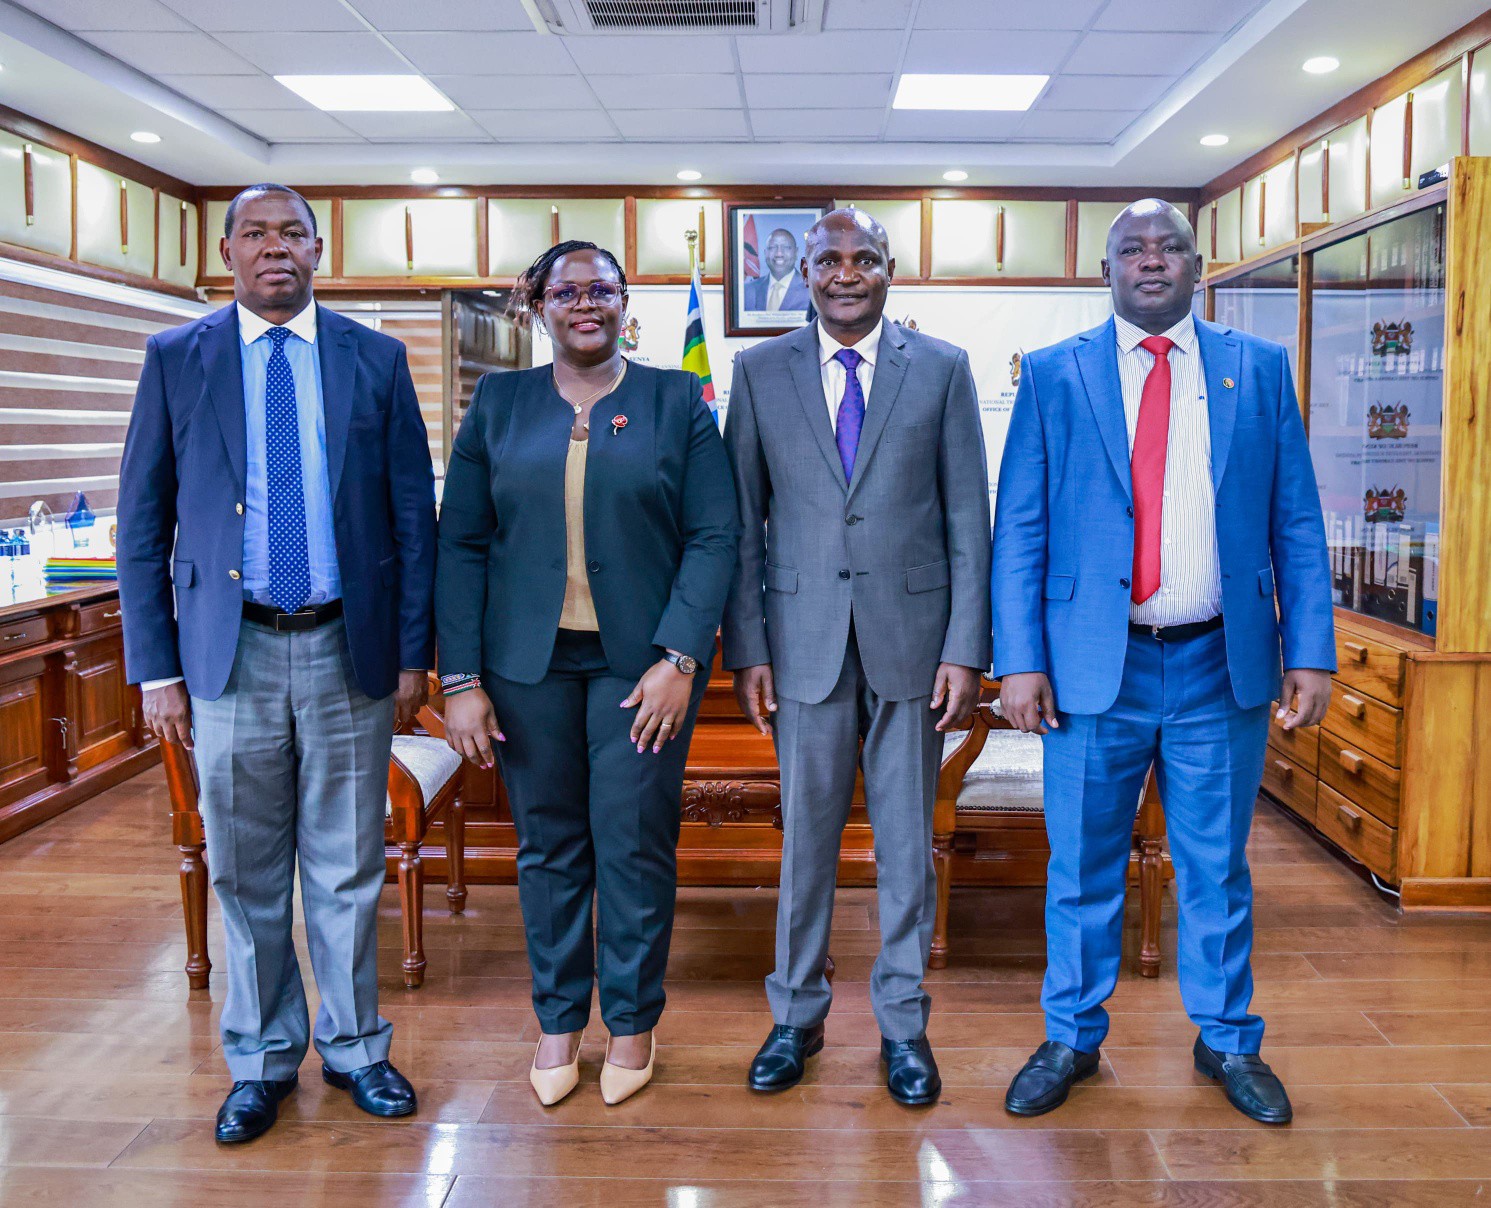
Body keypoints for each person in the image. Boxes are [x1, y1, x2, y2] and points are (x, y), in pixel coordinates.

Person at [993, 199, 1335, 1125]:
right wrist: (1017, 661)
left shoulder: (1255, 369)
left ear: (1196, 264)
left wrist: (1310, 649)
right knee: (1081, 866)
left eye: (1168, 246)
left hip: (1218, 663)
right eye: (1131, 248)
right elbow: (1018, 525)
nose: (1150, 259)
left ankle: (1227, 1039)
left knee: (1215, 866)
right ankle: (1071, 1036)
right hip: (1089, 671)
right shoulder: (1054, 373)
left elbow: (1295, 518)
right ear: (1104, 269)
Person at [117, 184, 435, 1143]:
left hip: (348, 646)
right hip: (229, 652)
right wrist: (155, 670)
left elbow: (412, 518)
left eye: (292, 232)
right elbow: (142, 524)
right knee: (245, 869)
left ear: (318, 249)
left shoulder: (374, 358)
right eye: (254, 233)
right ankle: (259, 1060)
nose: (274, 248)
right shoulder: (177, 358)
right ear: (227, 252)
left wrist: (414, 653)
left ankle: (356, 1048)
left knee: (348, 865)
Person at [436, 240, 738, 1107]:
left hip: (640, 670)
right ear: (539, 305)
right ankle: (559, 1021)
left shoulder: (675, 400)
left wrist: (680, 658)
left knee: (634, 843)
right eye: (566, 291)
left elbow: (713, 535)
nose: (585, 304)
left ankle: (633, 1022)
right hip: (523, 667)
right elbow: (460, 543)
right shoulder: (498, 402)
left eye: (601, 289)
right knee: (548, 847)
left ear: (623, 303)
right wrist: (460, 680)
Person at [722, 207, 991, 1106]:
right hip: (800, 644)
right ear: (804, 274)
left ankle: (902, 1026)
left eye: (863, 258)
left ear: (888, 270)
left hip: (913, 643)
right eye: (829, 260)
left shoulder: (941, 368)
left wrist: (965, 647)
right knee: (805, 843)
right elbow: (742, 524)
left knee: (906, 846)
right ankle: (794, 1016)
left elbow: (968, 519)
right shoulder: (759, 371)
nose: (845, 273)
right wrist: (747, 647)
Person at [744, 228, 811, 312]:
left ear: (796, 252)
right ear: (765, 253)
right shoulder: (748, 290)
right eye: (772, 247)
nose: (779, 254)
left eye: (786, 247)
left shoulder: (811, 289)